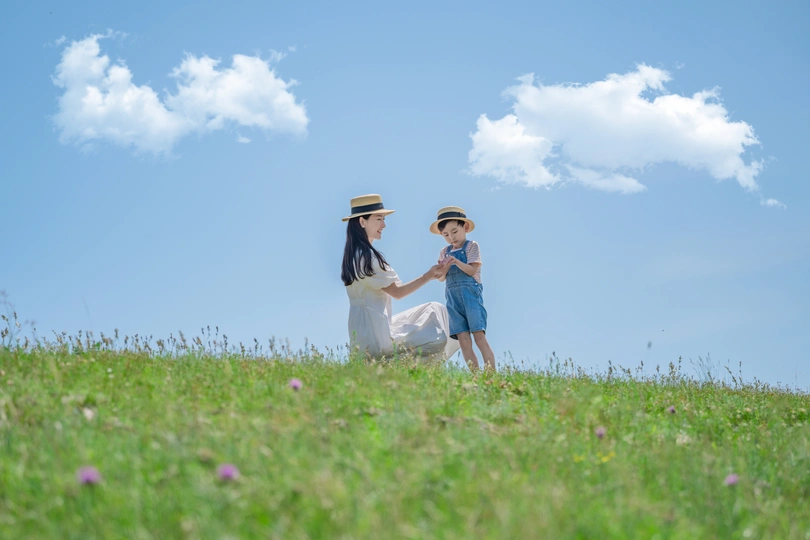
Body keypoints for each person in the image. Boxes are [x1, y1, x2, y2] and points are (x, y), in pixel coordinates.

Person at [341, 194, 460, 360]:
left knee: (434, 310)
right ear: (362, 222)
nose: (384, 224)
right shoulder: (367, 257)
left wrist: (432, 275)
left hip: (363, 330)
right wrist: (429, 275)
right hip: (375, 332)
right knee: (436, 323)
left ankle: (381, 366)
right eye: (379, 219)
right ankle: (385, 367)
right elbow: (398, 292)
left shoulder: (355, 255)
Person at [431, 206, 496, 372]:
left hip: (471, 296)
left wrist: (455, 261)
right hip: (452, 298)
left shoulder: (471, 246)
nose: (451, 237)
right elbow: (441, 279)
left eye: (454, 231)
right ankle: (475, 375)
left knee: (479, 336)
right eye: (446, 235)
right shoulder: (443, 252)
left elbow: (472, 270)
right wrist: (442, 270)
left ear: (465, 228)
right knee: (463, 340)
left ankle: (491, 375)